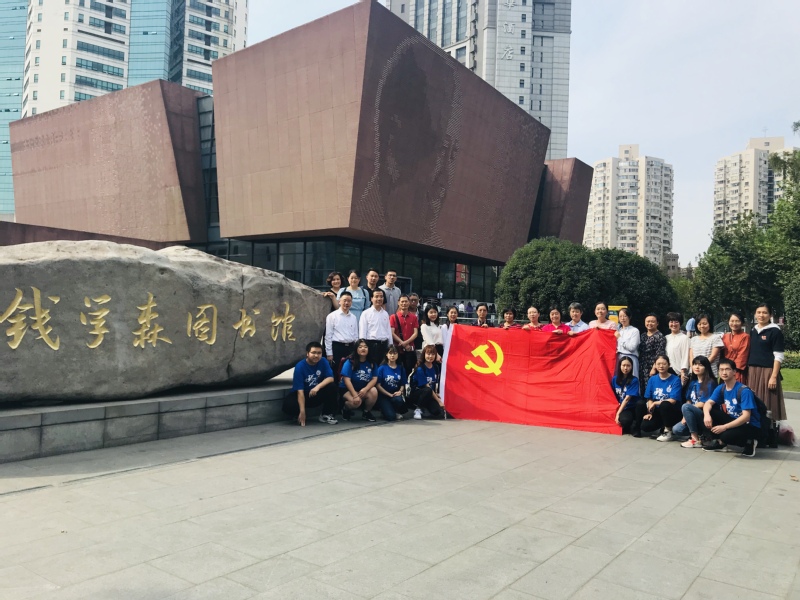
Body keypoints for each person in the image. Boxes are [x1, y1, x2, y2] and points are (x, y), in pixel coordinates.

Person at [702, 358, 761, 457]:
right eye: (721, 370)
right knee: (706, 412)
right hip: (734, 420)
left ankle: (749, 442)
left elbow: (746, 416)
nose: (724, 372)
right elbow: (708, 403)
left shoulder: (744, 391)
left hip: (749, 425)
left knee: (726, 436)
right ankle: (720, 443)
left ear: (734, 372)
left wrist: (724, 427)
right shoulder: (721, 388)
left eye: (727, 369)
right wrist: (707, 416)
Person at [283, 342, 339, 426]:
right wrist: (302, 411)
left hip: (315, 393)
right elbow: (300, 392)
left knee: (332, 387)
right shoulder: (300, 367)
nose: (316, 355)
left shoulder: (323, 361)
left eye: (319, 353)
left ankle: (326, 414)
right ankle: (298, 415)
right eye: (313, 353)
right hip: (303, 394)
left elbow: (330, 378)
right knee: (289, 405)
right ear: (307, 353)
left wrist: (317, 387)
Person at [747, 303, 786, 422]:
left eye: (764, 312)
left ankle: (769, 429)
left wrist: (773, 376)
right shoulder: (753, 330)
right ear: (755, 314)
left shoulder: (775, 331)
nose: (761, 315)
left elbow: (778, 356)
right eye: (759, 312)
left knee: (768, 404)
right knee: (754, 402)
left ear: (770, 315)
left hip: (767, 372)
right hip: (753, 372)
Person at [634, 354, 682, 440]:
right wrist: (650, 412)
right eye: (658, 364)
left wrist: (656, 403)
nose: (661, 366)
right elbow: (649, 398)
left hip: (671, 411)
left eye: (664, 364)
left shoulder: (675, 380)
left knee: (665, 404)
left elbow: (673, 400)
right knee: (645, 426)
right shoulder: (652, 379)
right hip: (657, 411)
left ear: (669, 365)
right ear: (655, 365)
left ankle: (668, 431)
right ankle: (658, 427)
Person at [673, 356, 716, 448]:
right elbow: (689, 400)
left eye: (700, 365)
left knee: (686, 406)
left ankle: (695, 439)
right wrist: (685, 416)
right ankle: (702, 435)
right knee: (677, 429)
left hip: (705, 415)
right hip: (692, 414)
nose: (697, 367)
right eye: (695, 364)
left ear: (706, 367)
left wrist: (688, 409)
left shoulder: (710, 383)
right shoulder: (693, 382)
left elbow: (704, 403)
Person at [339, 339, 378, 422]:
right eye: (360, 347)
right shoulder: (350, 362)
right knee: (356, 402)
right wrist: (355, 395)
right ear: (356, 349)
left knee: (374, 391)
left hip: (362, 389)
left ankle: (366, 412)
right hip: (348, 389)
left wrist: (365, 389)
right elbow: (347, 380)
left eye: (365, 347)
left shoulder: (372, 362)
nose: (363, 349)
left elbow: (374, 378)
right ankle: (345, 409)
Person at [324, 291, 359, 379]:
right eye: (344, 300)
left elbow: (356, 336)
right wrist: (329, 353)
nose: (347, 303)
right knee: (336, 372)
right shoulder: (332, 316)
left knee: (350, 372)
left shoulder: (353, 317)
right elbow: (328, 336)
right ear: (339, 301)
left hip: (350, 348)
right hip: (337, 348)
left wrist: (356, 350)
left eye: (349, 301)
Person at [409, 344, 444, 420]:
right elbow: (427, 386)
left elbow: (435, 383)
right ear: (424, 355)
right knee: (427, 390)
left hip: (430, 394)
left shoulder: (436, 367)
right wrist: (439, 401)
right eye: (428, 354)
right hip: (418, 394)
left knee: (437, 411)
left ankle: (425, 407)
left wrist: (436, 394)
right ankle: (418, 409)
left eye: (433, 354)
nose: (430, 356)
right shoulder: (420, 369)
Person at [359, 288, 393, 365]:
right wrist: (362, 347)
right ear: (371, 299)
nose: (379, 299)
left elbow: (388, 330)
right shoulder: (366, 313)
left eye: (381, 297)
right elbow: (362, 331)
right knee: (372, 366)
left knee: (383, 367)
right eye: (376, 296)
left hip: (384, 345)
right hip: (371, 345)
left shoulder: (385, 313)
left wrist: (390, 345)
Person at [375, 346, 408, 421]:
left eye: (395, 353)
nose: (392, 355)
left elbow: (403, 384)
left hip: (395, 394)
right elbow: (378, 385)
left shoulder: (401, 368)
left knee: (398, 400)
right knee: (391, 417)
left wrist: (400, 391)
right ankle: (384, 411)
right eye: (390, 353)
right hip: (384, 395)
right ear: (386, 354)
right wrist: (388, 394)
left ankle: (395, 410)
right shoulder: (381, 368)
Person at [390, 295, 419, 376]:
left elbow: (415, 333)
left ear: (409, 303)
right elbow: (392, 333)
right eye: (402, 301)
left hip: (410, 349)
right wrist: (402, 343)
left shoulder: (414, 317)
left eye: (406, 301)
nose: (404, 303)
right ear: (398, 303)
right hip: (397, 349)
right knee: (397, 370)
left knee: (409, 371)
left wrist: (406, 343)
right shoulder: (393, 317)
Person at [688, 313, 724, 378]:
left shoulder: (716, 338)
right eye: (699, 324)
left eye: (704, 324)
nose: (702, 326)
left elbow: (713, 356)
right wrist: (694, 368)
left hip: (709, 373)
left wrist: (701, 367)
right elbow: (691, 357)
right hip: (695, 373)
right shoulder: (693, 339)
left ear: (710, 324)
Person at [612, 356, 639, 434]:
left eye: (628, 366)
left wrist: (618, 414)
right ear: (620, 366)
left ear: (631, 367)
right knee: (624, 421)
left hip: (630, 407)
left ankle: (634, 424)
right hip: (620, 407)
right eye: (623, 365)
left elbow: (627, 399)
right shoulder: (614, 379)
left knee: (626, 421)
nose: (625, 368)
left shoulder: (634, 380)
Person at [639, 313, 666, 391]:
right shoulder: (643, 335)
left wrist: (654, 368)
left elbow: (660, 354)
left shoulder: (660, 336)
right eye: (648, 321)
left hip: (652, 366)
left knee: (651, 388)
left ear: (657, 323)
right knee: (642, 388)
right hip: (642, 366)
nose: (650, 323)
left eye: (652, 321)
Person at [722, 311, 750, 384]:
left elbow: (742, 356)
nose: (734, 323)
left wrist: (732, 369)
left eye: (737, 321)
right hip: (724, 370)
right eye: (732, 321)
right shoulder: (725, 336)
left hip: (736, 370)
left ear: (742, 323)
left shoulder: (745, 337)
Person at [665, 311, 690, 386]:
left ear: (680, 323)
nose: (673, 324)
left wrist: (683, 372)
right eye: (671, 322)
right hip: (667, 370)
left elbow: (685, 356)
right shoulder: (666, 338)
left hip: (679, 372)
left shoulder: (684, 338)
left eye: (676, 322)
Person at [615, 308, 640, 376]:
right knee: (619, 378)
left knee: (632, 379)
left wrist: (619, 338)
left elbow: (632, 347)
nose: (622, 318)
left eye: (625, 316)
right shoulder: (618, 330)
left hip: (631, 358)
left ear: (629, 317)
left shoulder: (634, 331)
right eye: (620, 316)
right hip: (619, 358)